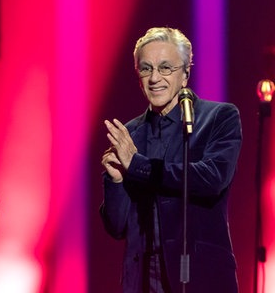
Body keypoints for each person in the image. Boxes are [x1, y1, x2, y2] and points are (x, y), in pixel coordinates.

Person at [100, 27, 242, 293]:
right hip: (143, 279)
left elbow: (211, 178)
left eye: (165, 68)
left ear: (185, 74)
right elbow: (117, 227)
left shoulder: (218, 118)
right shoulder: (130, 134)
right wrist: (117, 181)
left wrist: (138, 165)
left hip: (200, 276)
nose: (155, 78)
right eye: (146, 69)